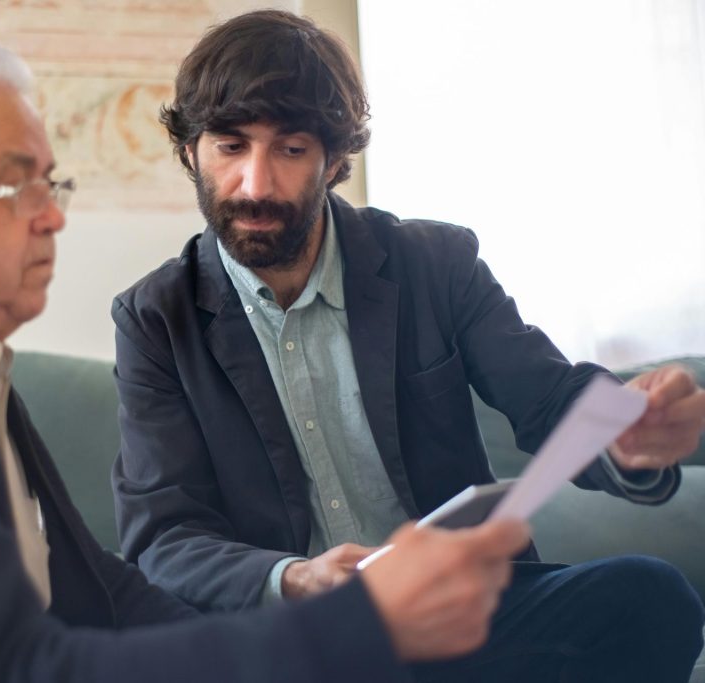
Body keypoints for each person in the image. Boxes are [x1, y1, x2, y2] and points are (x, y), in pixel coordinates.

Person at [0, 39, 540, 683]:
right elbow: (22, 669)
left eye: (51, 185)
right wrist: (351, 630)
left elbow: (102, 590)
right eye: (15, 184)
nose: (52, 218)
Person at [111, 9, 705, 682]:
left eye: (291, 149)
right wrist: (296, 576)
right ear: (192, 150)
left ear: (334, 159)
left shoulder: (435, 262)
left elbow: (550, 400)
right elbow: (165, 535)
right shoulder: (154, 318)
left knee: (649, 597)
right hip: (299, 638)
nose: (255, 183)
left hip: (463, 614)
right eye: (230, 146)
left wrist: (624, 432)